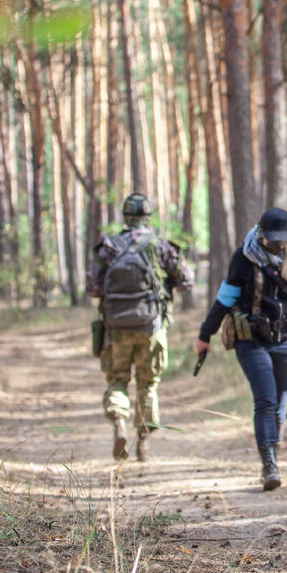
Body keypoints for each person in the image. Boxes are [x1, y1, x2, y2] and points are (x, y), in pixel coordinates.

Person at [195, 207, 287, 492]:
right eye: (270, 239)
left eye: (280, 240)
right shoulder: (243, 258)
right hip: (251, 340)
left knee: (280, 402)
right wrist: (205, 334)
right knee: (265, 400)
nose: (275, 244)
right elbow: (225, 299)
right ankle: (269, 465)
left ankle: (273, 450)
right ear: (260, 233)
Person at [87, 193, 194, 462]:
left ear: (125, 217)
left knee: (118, 380)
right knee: (148, 385)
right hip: (151, 327)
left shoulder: (109, 246)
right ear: (147, 217)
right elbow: (186, 281)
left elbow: (92, 287)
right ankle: (143, 442)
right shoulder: (159, 245)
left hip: (116, 328)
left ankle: (119, 424)